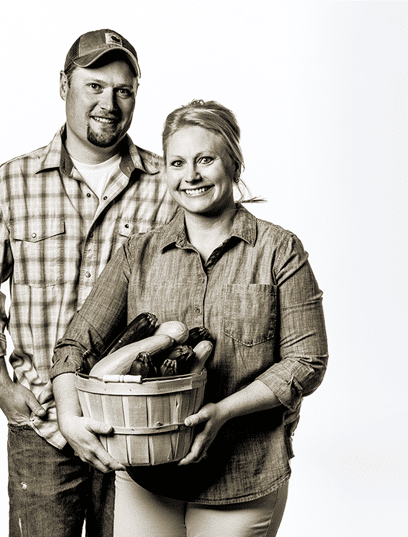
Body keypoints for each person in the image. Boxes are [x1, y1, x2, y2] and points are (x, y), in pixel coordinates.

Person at [50, 100, 328, 537]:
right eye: (177, 162)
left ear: (233, 164)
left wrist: (222, 412)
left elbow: (306, 362)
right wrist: (69, 415)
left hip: (242, 477)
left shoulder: (279, 251)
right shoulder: (138, 254)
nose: (190, 175)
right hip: (147, 475)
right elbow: (74, 346)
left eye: (205, 159)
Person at [0, 29, 178, 537]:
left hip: (135, 424)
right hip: (42, 424)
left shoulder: (167, 185)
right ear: (64, 84)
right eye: (95, 85)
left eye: (124, 90)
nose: (109, 102)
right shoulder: (13, 181)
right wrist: (0, 385)